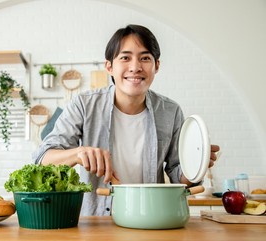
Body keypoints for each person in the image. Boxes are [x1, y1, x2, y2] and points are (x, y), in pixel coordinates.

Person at [32, 24, 220, 216]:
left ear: (156, 66)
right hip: (98, 224)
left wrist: (196, 164)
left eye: (145, 58)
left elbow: (178, 176)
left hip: (152, 218)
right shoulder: (84, 104)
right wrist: (78, 153)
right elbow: (43, 160)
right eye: (125, 57)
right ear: (109, 67)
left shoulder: (170, 111)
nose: (135, 67)